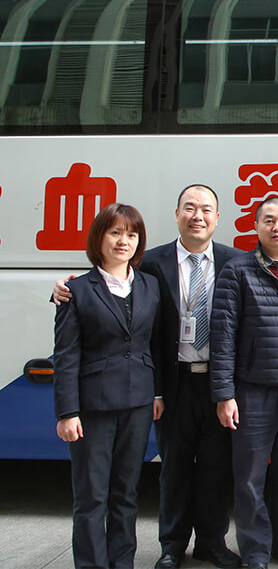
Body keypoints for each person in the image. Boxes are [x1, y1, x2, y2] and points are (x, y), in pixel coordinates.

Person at [54, 185, 243, 569]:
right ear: (176, 214)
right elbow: (105, 292)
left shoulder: (236, 261)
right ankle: (171, 546)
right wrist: (61, 288)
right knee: (172, 469)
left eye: (206, 209)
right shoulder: (153, 264)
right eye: (189, 208)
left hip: (217, 383)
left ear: (217, 217)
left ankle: (211, 542)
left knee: (215, 468)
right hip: (172, 383)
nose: (198, 216)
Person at [52, 203, 163, 568]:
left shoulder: (150, 285)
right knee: (91, 497)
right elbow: (66, 355)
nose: (123, 241)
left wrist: (157, 392)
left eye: (131, 234)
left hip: (138, 404)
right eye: (115, 233)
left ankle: (122, 562)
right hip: (92, 408)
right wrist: (67, 412)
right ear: (98, 238)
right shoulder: (76, 290)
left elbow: (156, 344)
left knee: (126, 494)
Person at [210, 196, 278, 569]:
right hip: (252, 393)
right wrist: (224, 394)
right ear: (256, 226)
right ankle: (255, 552)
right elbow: (222, 337)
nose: (277, 227)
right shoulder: (237, 271)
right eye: (269, 220)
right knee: (250, 477)